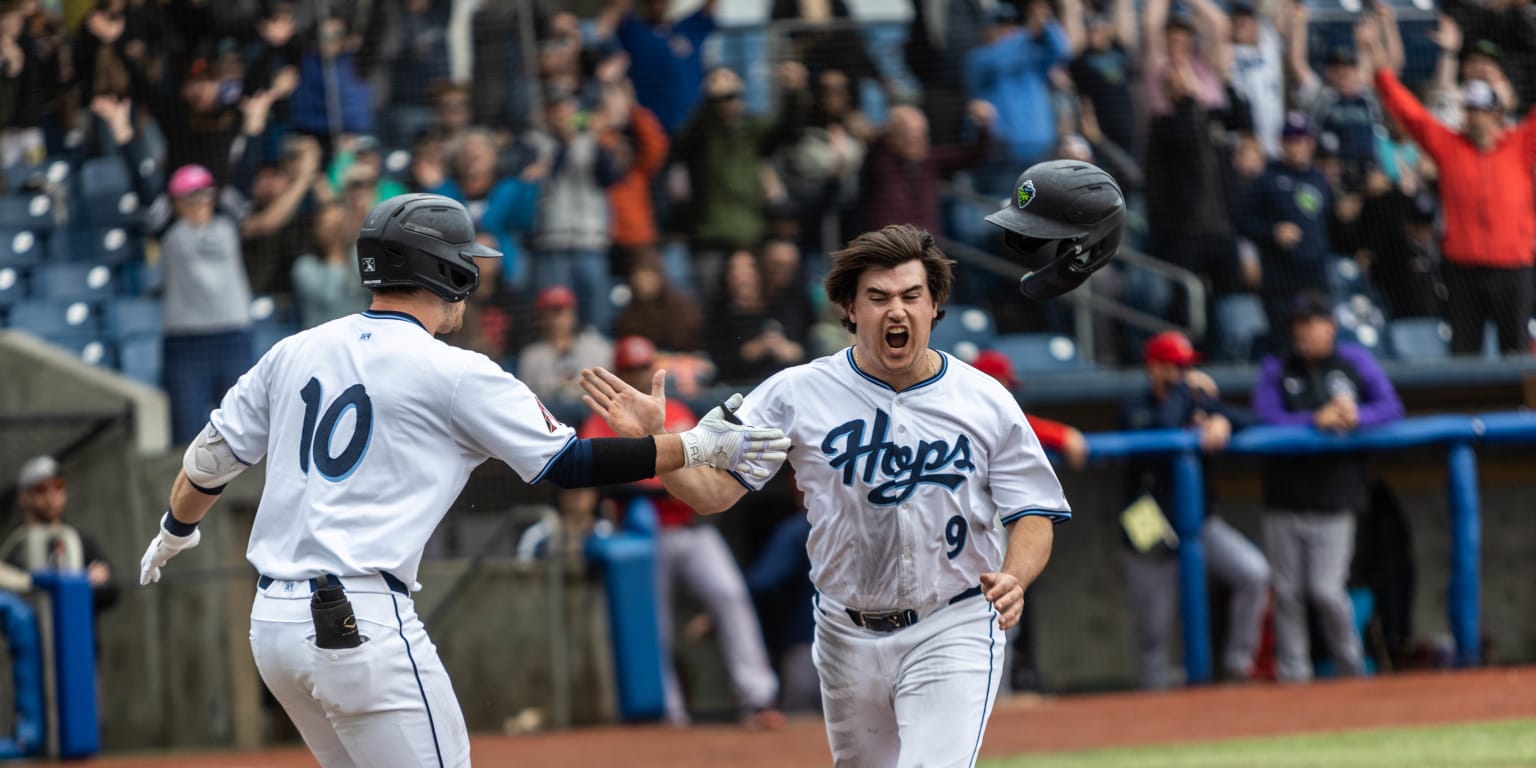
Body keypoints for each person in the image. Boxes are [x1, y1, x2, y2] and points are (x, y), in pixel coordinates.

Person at [135, 193, 789, 768]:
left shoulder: (294, 349)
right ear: (443, 270)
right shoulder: (455, 371)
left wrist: (175, 528)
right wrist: (695, 444)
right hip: (358, 619)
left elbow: (210, 460)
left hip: (272, 627)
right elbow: (571, 466)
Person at [579, 200, 1112, 764]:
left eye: (911, 296)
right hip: (844, 632)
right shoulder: (794, 393)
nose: (896, 311)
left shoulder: (983, 398)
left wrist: (1015, 575)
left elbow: (1034, 510)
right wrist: (659, 446)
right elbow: (715, 492)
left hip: (951, 621)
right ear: (849, 309)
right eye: (878, 298)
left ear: (935, 305)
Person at [564, 336, 783, 729]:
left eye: (643, 366)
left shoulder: (676, 410)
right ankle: (669, 712)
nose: (638, 374)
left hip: (692, 526)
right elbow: (584, 483)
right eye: (630, 369)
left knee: (730, 596)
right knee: (653, 623)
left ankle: (757, 698)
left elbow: (706, 473)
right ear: (620, 372)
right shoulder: (602, 419)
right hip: (642, 536)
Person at [1252, 289, 1403, 682]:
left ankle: (1352, 669)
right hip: (1285, 497)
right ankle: (1294, 677)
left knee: (1325, 590)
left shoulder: (1352, 361)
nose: (1302, 333)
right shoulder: (1278, 366)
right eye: (1297, 327)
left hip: (1337, 497)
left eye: (1310, 325)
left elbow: (1390, 406)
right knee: (1287, 594)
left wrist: (1355, 416)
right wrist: (1313, 420)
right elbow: (1264, 416)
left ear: (1330, 327)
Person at [1361, 23, 1536, 355]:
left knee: (1516, 352)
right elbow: (1408, 112)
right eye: (1471, 110)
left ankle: (1523, 411)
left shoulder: (1521, 144)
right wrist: (1378, 64)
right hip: (1463, 270)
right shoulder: (1449, 146)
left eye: (1484, 110)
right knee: (1464, 351)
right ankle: (1470, 409)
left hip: (1514, 269)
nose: (1476, 117)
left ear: (1498, 113)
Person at [1119, 331, 1270, 688]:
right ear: (1154, 368)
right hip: (1147, 525)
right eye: (1176, 366)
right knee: (1154, 629)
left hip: (1199, 521)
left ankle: (1237, 664)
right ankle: (1155, 708)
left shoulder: (1193, 400)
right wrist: (1187, 394)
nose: (1184, 372)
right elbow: (1160, 428)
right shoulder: (1135, 406)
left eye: (1187, 366)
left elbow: (1255, 420)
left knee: (1254, 574)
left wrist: (1223, 420)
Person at [4, 456, 118, 619]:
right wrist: (83, 581)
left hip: (80, 638)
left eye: (58, 485)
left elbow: (110, 590)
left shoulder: (79, 541)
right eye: (41, 489)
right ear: (24, 496)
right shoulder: (17, 546)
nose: (51, 495)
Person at [516, 285, 613, 403]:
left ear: (573, 313)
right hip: (549, 414)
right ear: (541, 318)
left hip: (589, 411)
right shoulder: (531, 355)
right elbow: (526, 399)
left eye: (563, 312)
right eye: (551, 313)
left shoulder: (595, 345)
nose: (558, 320)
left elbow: (609, 387)